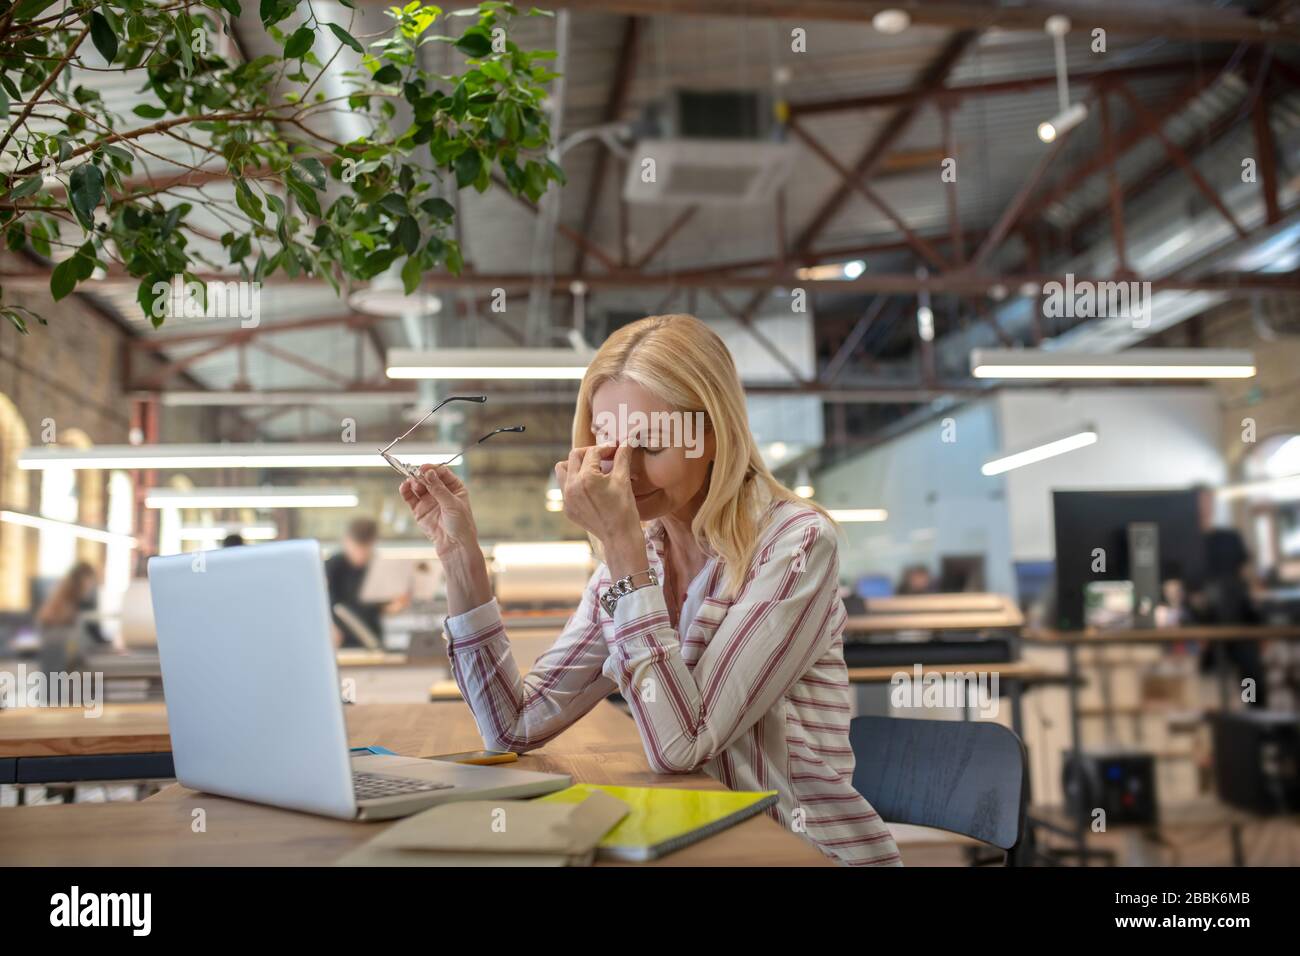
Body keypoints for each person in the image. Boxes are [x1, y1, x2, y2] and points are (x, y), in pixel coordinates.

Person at [398, 313, 901, 866]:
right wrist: (461, 557)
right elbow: (512, 726)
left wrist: (621, 551)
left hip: (801, 852)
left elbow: (681, 746)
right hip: (698, 846)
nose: (626, 476)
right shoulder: (644, 552)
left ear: (714, 436)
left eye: (651, 447)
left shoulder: (795, 544)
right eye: (609, 448)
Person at [1190, 484, 1267, 706]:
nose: (1205, 507)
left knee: (1250, 671)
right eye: (1200, 502)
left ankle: (1256, 718)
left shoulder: (1229, 538)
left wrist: (1256, 595)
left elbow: (1246, 574)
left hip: (1236, 616)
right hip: (1206, 618)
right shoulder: (1186, 543)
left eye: (1208, 501)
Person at [324, 518, 408, 648]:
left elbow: (381, 608)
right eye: (357, 548)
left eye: (366, 550)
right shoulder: (332, 566)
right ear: (346, 542)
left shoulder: (377, 565)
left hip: (371, 639)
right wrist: (329, 626)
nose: (361, 555)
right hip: (339, 641)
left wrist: (396, 606)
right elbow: (323, 603)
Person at [36, 561, 101, 673]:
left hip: (52, 662)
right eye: (90, 581)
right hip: (61, 664)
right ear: (82, 580)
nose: (91, 586)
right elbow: (75, 641)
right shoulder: (73, 606)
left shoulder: (58, 600)